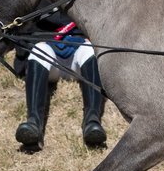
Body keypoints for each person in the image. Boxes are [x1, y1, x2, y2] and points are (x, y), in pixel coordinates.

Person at [14, 20, 108, 151]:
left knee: (90, 50)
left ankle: (92, 121)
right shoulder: (39, 1)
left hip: (80, 54)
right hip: (49, 55)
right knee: (38, 50)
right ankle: (34, 123)